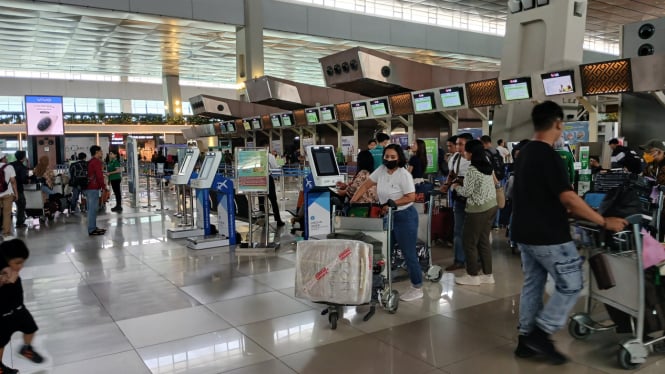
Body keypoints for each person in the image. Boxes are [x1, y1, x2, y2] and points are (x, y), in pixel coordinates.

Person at [512, 101, 626, 365]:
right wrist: (603, 221)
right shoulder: (549, 155)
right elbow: (569, 198)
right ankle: (541, 334)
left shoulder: (526, 152)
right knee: (572, 283)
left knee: (533, 284)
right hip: (548, 235)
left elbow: (538, 195)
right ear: (559, 123)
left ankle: (525, 341)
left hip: (524, 233)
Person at [351, 144, 422, 302]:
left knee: (408, 253)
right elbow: (365, 185)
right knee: (383, 251)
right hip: (387, 216)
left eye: (392, 157)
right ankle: (381, 283)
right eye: (386, 156)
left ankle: (417, 286)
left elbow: (411, 197)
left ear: (399, 158)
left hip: (405, 216)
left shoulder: (404, 175)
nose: (388, 159)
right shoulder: (381, 170)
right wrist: (353, 201)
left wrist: (393, 203)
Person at [451, 139, 498, 286]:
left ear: (470, 152)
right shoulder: (487, 166)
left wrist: (456, 186)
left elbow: (466, 192)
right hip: (491, 206)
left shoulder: (472, 169)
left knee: (469, 242)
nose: (463, 152)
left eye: (465, 150)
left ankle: (472, 275)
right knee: (483, 241)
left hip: (478, 209)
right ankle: (488, 274)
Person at [0, 239, 45, 374]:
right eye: (18, 263)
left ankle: (26, 348)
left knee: (31, 329)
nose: (21, 266)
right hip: (2, 316)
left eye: (23, 262)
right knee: (0, 343)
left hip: (19, 309)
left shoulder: (11, 267)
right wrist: (2, 280)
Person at [440, 133, 472, 271]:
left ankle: (476, 261)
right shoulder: (455, 158)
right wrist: (446, 185)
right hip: (459, 198)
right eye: (457, 144)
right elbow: (451, 173)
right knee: (458, 230)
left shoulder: (476, 159)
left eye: (461, 144)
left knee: (475, 232)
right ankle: (459, 260)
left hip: (474, 200)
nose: (458, 147)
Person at [641, 139, 665, 241]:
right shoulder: (651, 165)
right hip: (656, 204)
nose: (646, 154)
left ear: (659, 151)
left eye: (649, 152)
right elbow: (644, 177)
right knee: (655, 230)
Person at [258, 141, 285, 227]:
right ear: (267, 147)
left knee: (261, 200)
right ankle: (278, 220)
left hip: (258, 179)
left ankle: (262, 220)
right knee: (273, 200)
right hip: (267, 178)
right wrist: (280, 160)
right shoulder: (269, 156)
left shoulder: (255, 155)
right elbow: (275, 166)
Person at [85, 145, 106, 236]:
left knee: (91, 209)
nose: (102, 153)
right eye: (101, 151)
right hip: (93, 188)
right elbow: (99, 176)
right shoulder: (96, 162)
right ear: (97, 152)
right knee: (93, 209)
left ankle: (92, 226)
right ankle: (92, 229)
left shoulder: (90, 161)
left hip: (88, 188)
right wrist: (103, 186)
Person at [0, 152, 17, 240]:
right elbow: (13, 181)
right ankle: (6, 234)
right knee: (6, 214)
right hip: (7, 193)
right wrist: (16, 194)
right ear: (3, 158)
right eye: (5, 157)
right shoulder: (9, 167)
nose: (6, 158)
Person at [10, 151, 28, 229]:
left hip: (8, 189)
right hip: (18, 189)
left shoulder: (10, 164)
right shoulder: (22, 167)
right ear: (23, 157)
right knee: (21, 205)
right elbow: (23, 180)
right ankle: (20, 222)